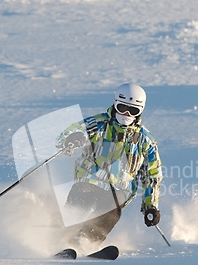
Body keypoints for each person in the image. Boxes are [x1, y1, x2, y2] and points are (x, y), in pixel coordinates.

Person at [55, 83, 163, 248]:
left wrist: (150, 206)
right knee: (81, 200)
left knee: (111, 211)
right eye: (122, 107)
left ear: (140, 111)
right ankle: (60, 238)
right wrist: (72, 139)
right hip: (90, 179)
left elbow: (152, 177)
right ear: (115, 104)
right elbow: (71, 132)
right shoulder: (99, 124)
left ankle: (85, 242)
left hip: (119, 188)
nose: (126, 114)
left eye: (133, 110)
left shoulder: (145, 141)